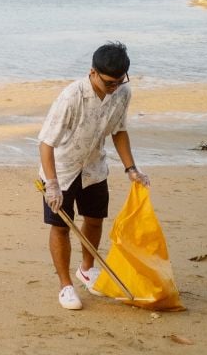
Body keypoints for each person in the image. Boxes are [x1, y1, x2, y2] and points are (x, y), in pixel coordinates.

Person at [38, 42, 151, 310]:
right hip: (61, 170)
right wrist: (52, 185)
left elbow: (119, 130)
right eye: (109, 82)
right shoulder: (71, 97)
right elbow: (45, 143)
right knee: (61, 226)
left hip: (93, 167)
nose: (114, 88)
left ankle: (87, 270)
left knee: (95, 220)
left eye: (119, 82)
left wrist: (131, 169)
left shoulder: (122, 91)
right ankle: (66, 286)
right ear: (93, 73)